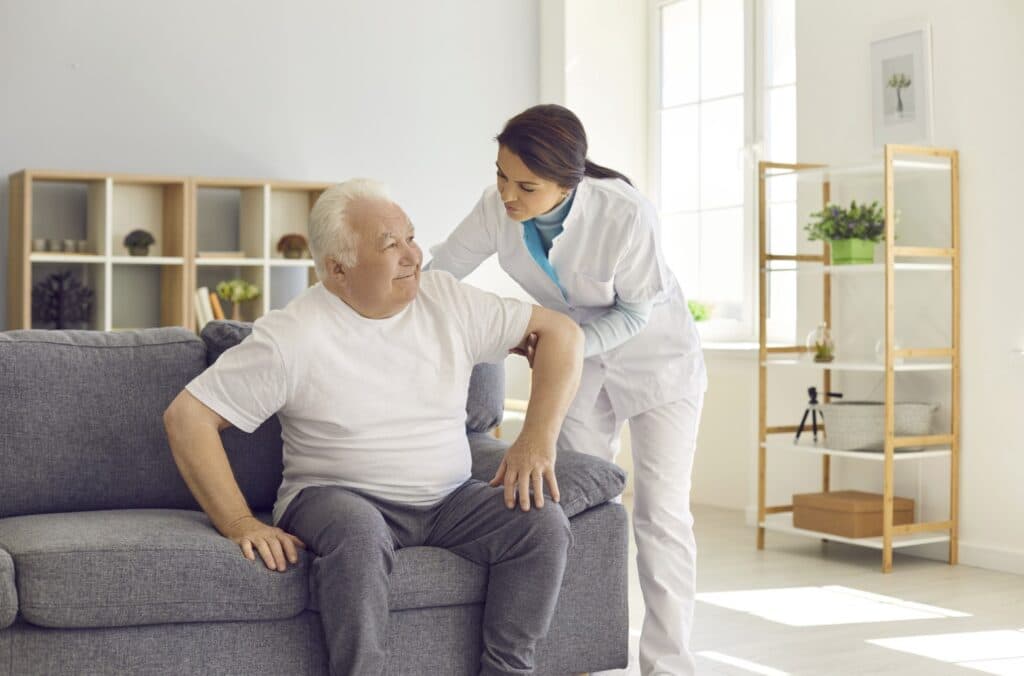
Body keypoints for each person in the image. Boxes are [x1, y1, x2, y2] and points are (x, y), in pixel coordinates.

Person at [163, 179, 585, 676]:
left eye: (410, 236)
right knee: (360, 532)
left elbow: (561, 332)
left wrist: (536, 440)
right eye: (391, 245)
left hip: (450, 501)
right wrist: (239, 523)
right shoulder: (293, 334)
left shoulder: (446, 300)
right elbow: (188, 416)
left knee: (540, 522)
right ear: (338, 269)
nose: (413, 255)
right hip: (334, 497)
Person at [429, 104, 707, 676]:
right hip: (580, 361)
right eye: (501, 175)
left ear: (567, 183)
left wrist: (564, 343)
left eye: (525, 186)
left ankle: (670, 666)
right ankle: (576, 652)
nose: (507, 194)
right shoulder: (496, 208)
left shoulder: (625, 214)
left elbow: (634, 311)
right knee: (573, 504)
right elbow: (441, 272)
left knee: (661, 514)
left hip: (659, 359)